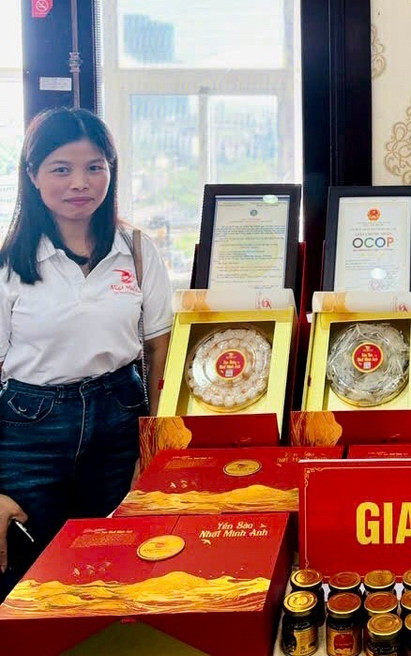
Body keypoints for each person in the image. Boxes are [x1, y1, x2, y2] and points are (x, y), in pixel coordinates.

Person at [0, 107, 173, 600]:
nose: (80, 183)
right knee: (28, 580)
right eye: (61, 169)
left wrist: (153, 449)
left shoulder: (136, 249)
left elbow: (159, 350)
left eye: (94, 167)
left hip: (119, 417)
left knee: (116, 568)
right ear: (32, 175)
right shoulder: (10, 263)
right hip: (29, 429)